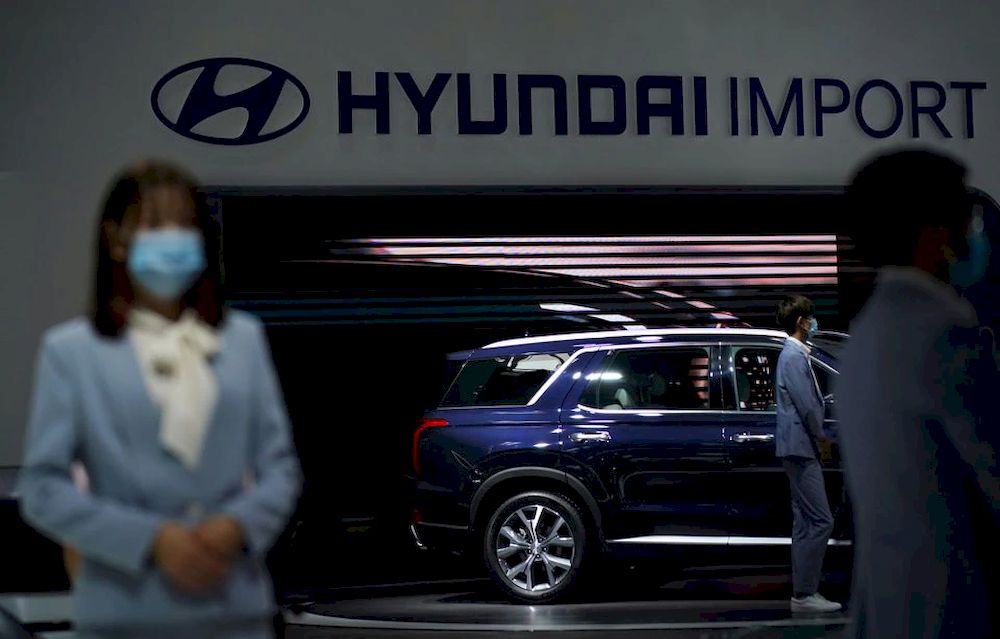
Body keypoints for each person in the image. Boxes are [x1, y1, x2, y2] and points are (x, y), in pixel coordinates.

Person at [17, 160, 302, 639]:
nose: (172, 239)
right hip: (124, 615)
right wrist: (151, 539)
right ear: (115, 238)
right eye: (154, 225)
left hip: (236, 609)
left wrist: (235, 527)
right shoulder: (71, 352)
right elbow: (43, 488)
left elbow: (281, 469)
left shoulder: (243, 341)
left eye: (185, 225)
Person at [838, 148, 1000, 638]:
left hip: (891, 607)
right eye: (965, 218)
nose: (973, 234)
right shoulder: (943, 330)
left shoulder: (866, 333)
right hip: (954, 606)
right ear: (934, 232)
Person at [774, 295, 842, 614]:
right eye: (810, 317)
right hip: (801, 447)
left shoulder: (797, 354)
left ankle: (803, 593)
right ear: (801, 321)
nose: (814, 322)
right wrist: (822, 438)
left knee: (805, 521)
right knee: (820, 520)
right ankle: (806, 593)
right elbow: (808, 408)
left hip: (797, 447)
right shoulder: (792, 356)